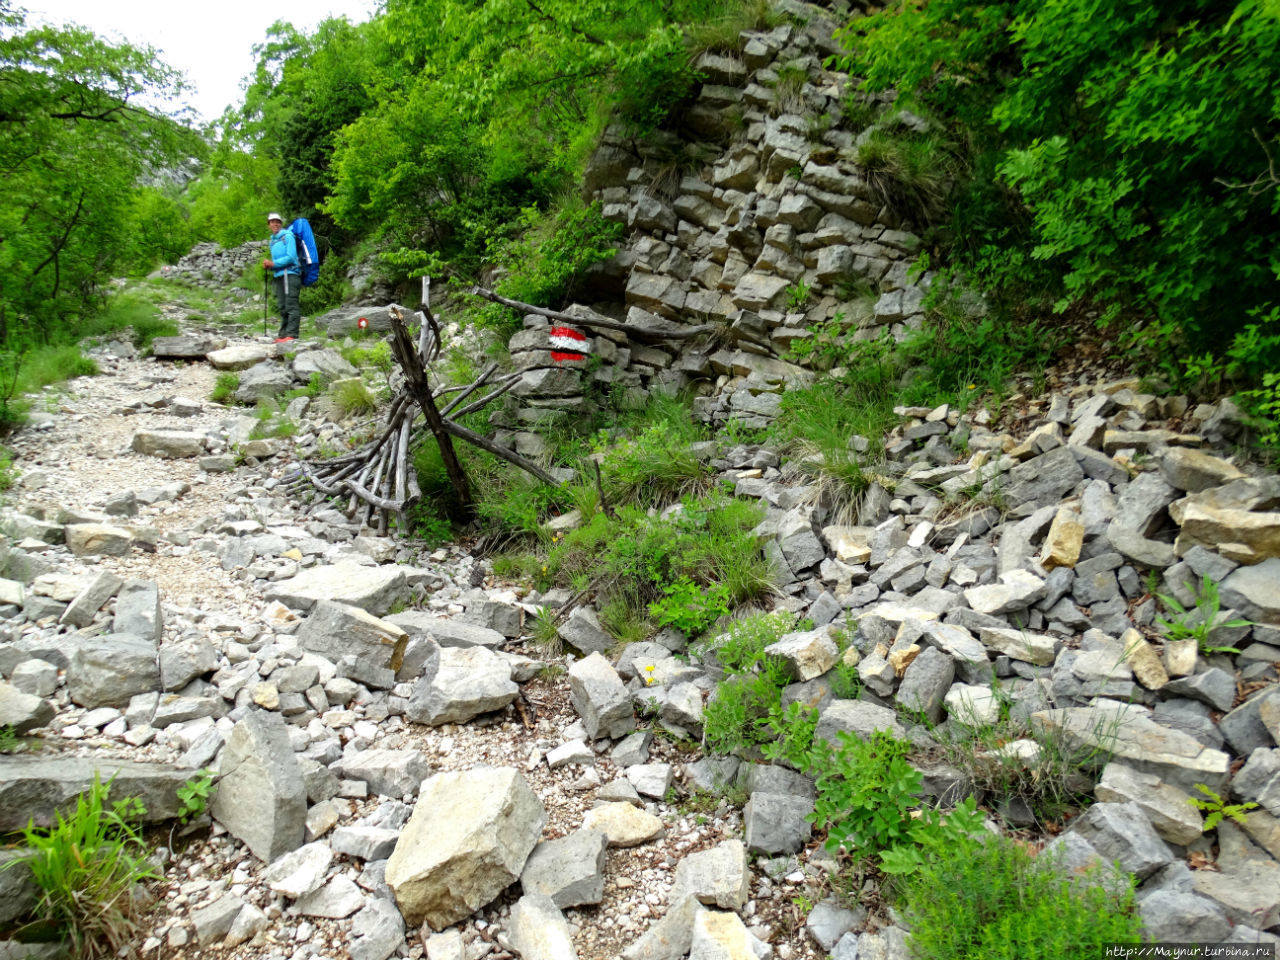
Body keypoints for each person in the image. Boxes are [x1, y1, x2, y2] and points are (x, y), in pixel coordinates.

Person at [263, 213, 301, 342]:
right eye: (272, 222)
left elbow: (291, 257)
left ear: (281, 223)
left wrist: (273, 264)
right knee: (282, 306)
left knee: (291, 304)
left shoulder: (288, 236)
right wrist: (270, 266)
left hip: (291, 275)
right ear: (268, 225)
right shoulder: (273, 241)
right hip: (279, 275)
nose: (275, 224)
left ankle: (292, 334)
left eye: (277, 221)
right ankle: (283, 335)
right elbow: (278, 260)